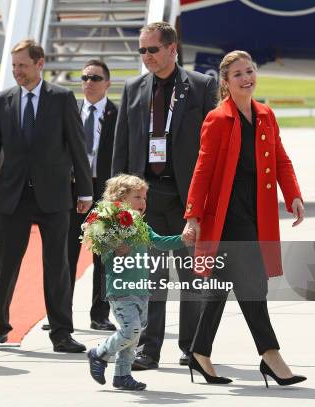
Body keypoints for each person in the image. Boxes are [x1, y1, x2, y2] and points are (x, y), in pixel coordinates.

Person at [183, 50, 306, 386]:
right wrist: (193, 215)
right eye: (237, 74)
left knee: (223, 287)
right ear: (226, 81)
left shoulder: (265, 114)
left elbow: (281, 158)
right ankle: (271, 356)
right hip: (228, 216)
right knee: (253, 284)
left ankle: (199, 352)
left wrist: (292, 194)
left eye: (249, 71)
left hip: (257, 213)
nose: (246, 78)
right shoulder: (217, 119)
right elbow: (203, 169)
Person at [111, 21, 218, 370]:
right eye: (142, 50)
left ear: (172, 49)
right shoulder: (133, 88)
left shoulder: (201, 87)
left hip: (187, 196)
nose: (146, 56)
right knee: (150, 278)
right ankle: (149, 348)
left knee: (189, 277)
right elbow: (122, 144)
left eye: (152, 50)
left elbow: (211, 147)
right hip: (147, 197)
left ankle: (189, 347)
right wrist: (116, 200)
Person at [0, 39, 92, 353]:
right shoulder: (3, 101)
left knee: (58, 267)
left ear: (39, 64)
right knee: (5, 267)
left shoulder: (62, 97)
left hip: (54, 196)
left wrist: (85, 190)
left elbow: (77, 147)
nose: (17, 72)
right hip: (12, 197)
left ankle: (61, 333)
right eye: (14, 66)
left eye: (23, 66)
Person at [87, 174, 193, 390]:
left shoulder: (140, 225)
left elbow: (160, 242)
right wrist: (116, 246)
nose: (142, 203)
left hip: (140, 289)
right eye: (137, 197)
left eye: (144, 198)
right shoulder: (109, 223)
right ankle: (99, 353)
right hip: (120, 289)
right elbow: (100, 248)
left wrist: (182, 239)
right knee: (131, 330)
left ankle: (122, 375)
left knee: (134, 336)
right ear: (120, 199)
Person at [69, 59, 118, 331]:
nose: (89, 82)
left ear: (107, 84)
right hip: (73, 188)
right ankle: (60, 314)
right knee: (65, 254)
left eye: (96, 78)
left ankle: (99, 314)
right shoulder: (72, 111)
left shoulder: (117, 114)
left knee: (103, 256)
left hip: (103, 190)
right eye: (85, 77)